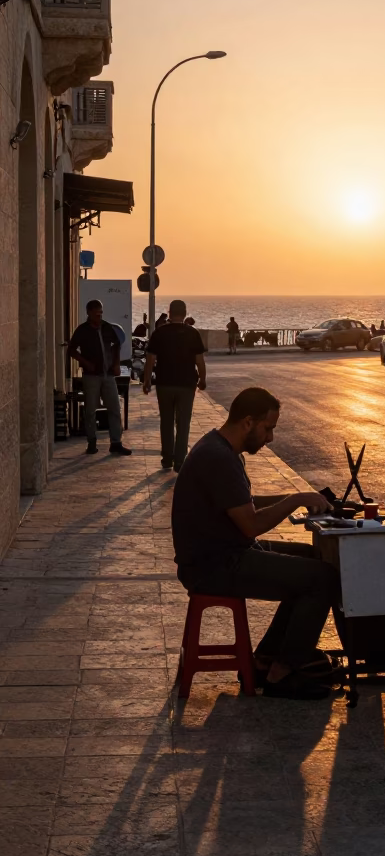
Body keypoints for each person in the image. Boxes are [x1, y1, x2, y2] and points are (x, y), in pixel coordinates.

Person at [171, 386, 338, 700]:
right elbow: (250, 525)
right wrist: (295, 499)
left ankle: (264, 661)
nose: (270, 438)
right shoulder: (218, 458)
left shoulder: (220, 448)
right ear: (248, 422)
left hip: (220, 554)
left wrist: (303, 500)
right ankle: (283, 672)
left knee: (312, 559)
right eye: (268, 428)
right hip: (213, 565)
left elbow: (244, 502)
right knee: (322, 578)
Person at [143, 300, 207, 471]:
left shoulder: (159, 332)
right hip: (186, 384)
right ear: (185, 313)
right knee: (183, 422)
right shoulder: (193, 333)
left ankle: (167, 458)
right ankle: (180, 460)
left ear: (169, 313)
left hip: (165, 383)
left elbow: (150, 359)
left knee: (166, 420)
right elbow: (199, 360)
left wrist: (147, 380)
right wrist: (202, 379)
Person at [69, 300, 132, 456]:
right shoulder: (82, 331)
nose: (99, 315)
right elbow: (71, 350)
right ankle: (91, 442)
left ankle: (116, 442)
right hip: (91, 376)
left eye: (101, 312)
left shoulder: (107, 328)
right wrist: (85, 363)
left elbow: (116, 344)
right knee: (90, 410)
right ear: (89, 313)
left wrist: (116, 363)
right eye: (97, 313)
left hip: (108, 375)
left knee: (114, 408)